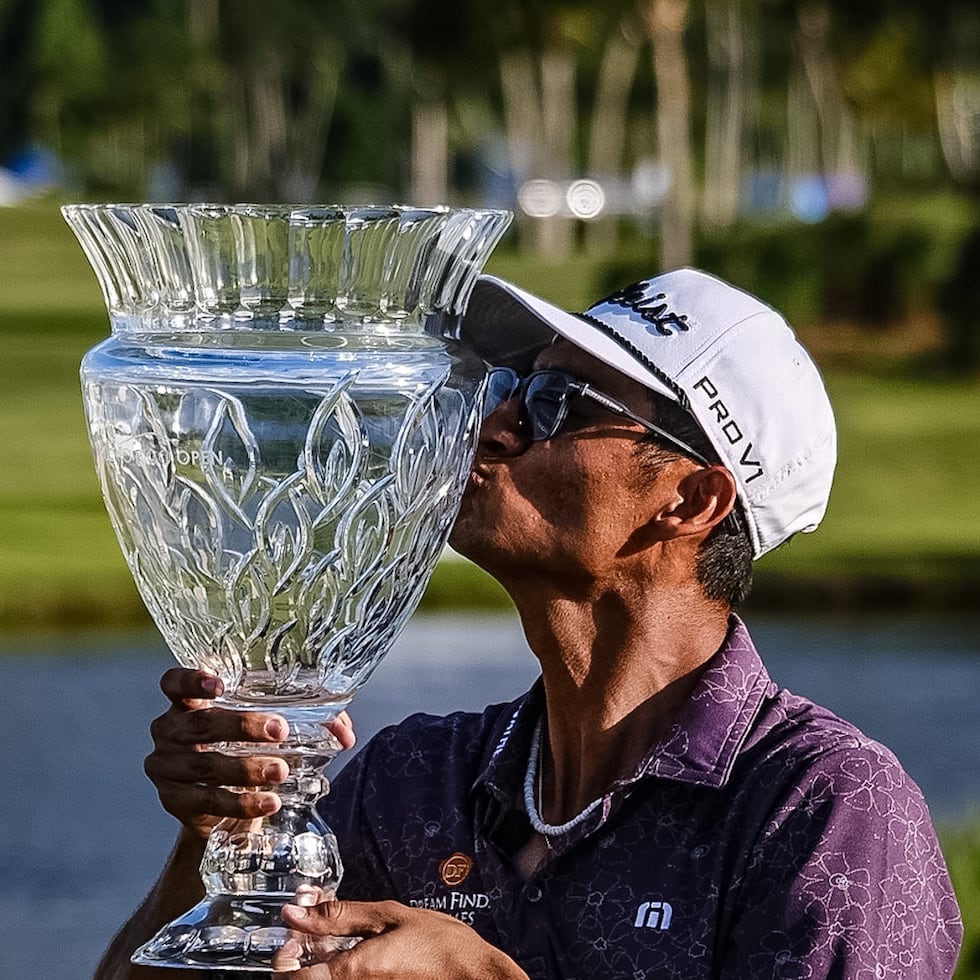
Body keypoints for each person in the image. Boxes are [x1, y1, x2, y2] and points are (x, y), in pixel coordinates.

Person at [96, 269, 963, 979]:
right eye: (508, 388)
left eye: (556, 402)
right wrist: (226, 836)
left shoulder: (824, 808)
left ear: (692, 499)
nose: (493, 425)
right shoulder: (412, 783)